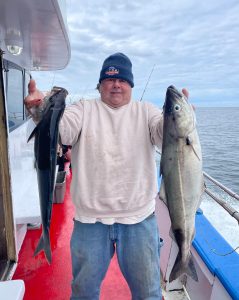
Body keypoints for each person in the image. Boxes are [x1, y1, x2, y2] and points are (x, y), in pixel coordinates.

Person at [24, 52, 189, 300]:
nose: (116, 84)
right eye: (110, 79)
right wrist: (40, 112)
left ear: (130, 85)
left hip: (139, 220)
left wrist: (181, 119)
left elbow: (163, 132)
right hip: (91, 222)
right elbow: (62, 131)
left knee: (148, 294)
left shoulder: (146, 112)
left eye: (122, 80)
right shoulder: (83, 108)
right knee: (83, 293)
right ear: (100, 84)